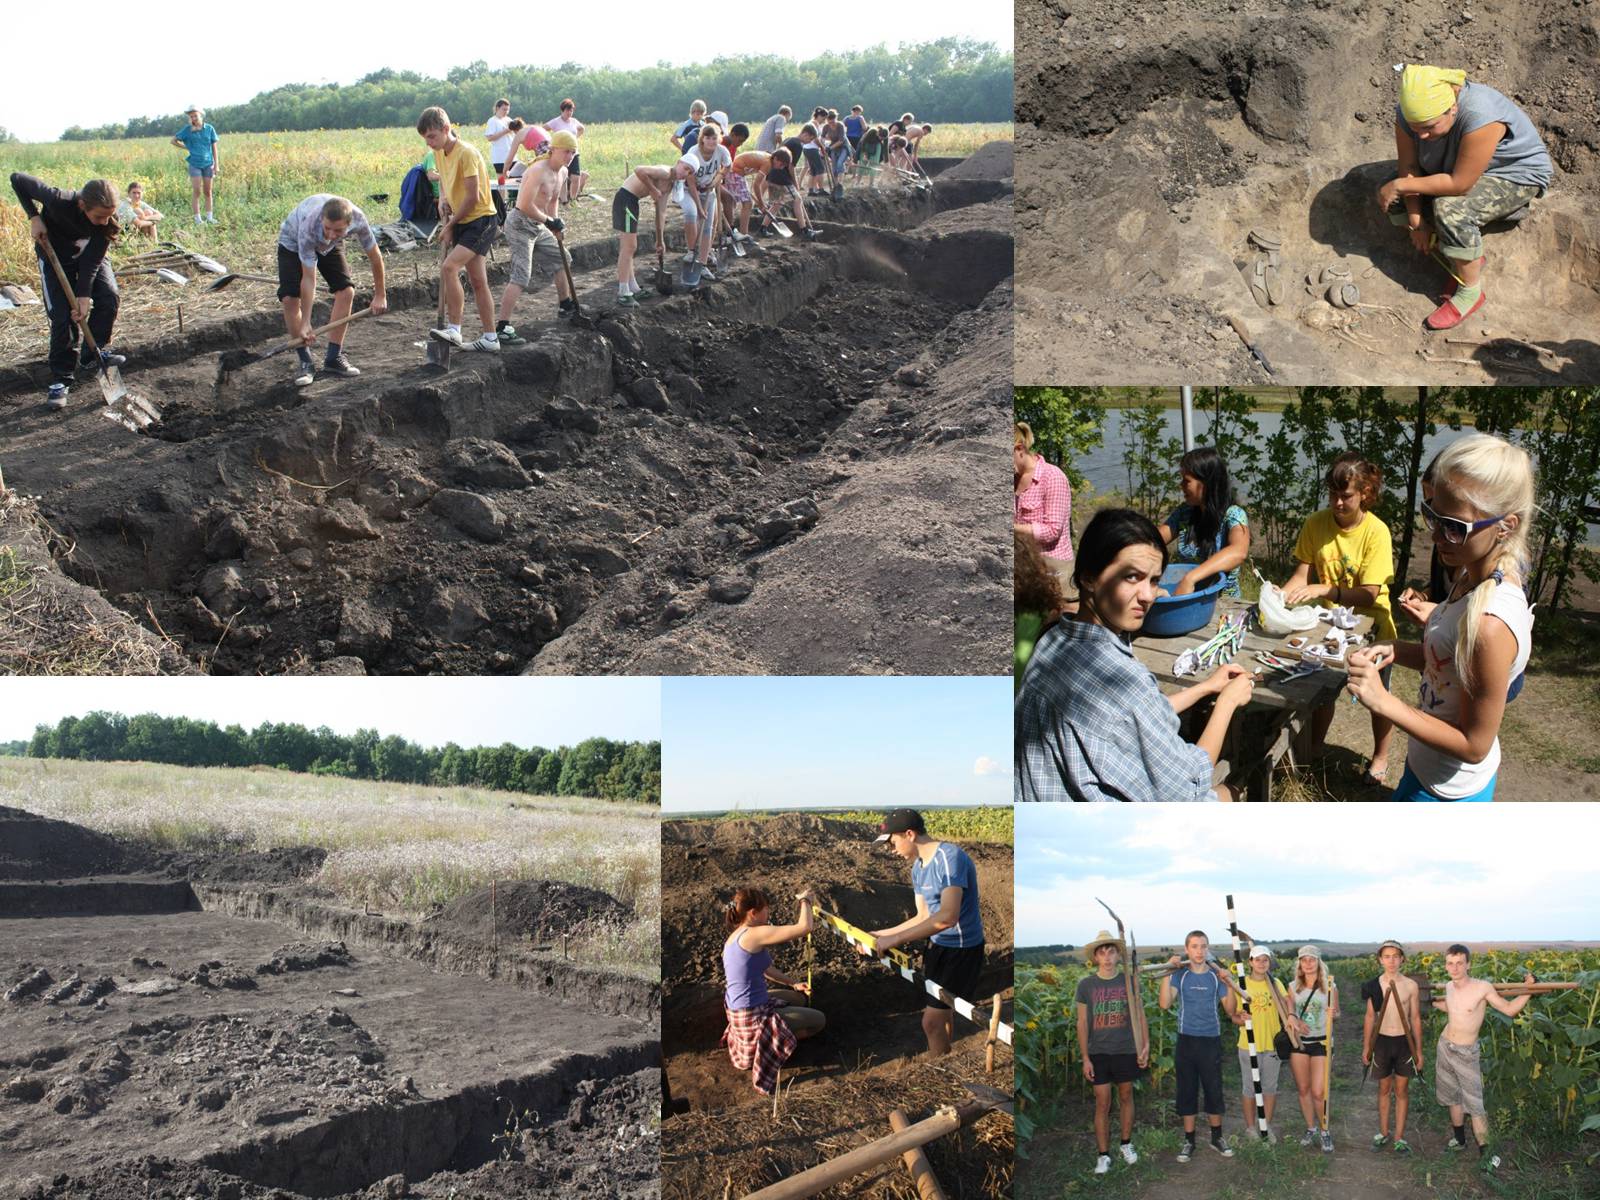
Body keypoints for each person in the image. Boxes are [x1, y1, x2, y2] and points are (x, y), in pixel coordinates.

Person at [1015, 508, 1256, 802]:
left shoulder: (1053, 639)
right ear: (1089, 577)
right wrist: (1227, 703)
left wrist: (1206, 687)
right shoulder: (1121, 678)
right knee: (1232, 791)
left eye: (1154, 580)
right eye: (1132, 577)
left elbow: (1135, 715)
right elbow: (1188, 787)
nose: (1148, 595)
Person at [1347, 433, 1535, 801]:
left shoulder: (1490, 624)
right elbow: (1449, 664)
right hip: (1428, 768)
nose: (1435, 536)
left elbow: (1473, 745)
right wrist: (1396, 649)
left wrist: (1385, 703)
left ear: (1506, 525)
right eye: (1432, 515)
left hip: (1448, 791)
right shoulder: (1472, 574)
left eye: (1454, 526)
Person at [1379, 65, 1554, 331]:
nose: (1421, 136)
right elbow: (1410, 168)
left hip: (1512, 174)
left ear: (1452, 109)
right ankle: (1464, 257)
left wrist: (1402, 186)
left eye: (1428, 128)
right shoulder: (1410, 113)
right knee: (1389, 193)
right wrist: (1417, 223)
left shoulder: (1481, 115)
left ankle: (1471, 292)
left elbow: (1459, 184)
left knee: (1450, 210)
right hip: (1453, 166)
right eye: (1415, 129)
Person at [1279, 452, 1399, 787]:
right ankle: (1314, 748)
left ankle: (1380, 757)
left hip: (1374, 627)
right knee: (1322, 690)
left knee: (1377, 698)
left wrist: (1325, 589)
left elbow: (1369, 594)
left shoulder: (1377, 532)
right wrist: (1279, 596)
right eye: (1332, 494)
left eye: (1346, 495)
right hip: (1329, 627)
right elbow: (1300, 576)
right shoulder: (1316, 523)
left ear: (1365, 493)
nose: (1338, 502)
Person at [866, 809, 985, 1057]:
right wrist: (880, 934)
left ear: (909, 834)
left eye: (892, 842)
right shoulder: (918, 868)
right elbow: (922, 917)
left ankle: (941, 1070)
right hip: (937, 947)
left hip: (962, 950)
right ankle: (948, 1057)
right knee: (942, 1014)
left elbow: (947, 917)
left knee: (930, 1022)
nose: (891, 849)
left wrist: (895, 939)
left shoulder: (950, 858)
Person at [11, 173, 124, 409]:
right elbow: (17, 179)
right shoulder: (57, 200)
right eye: (99, 216)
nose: (105, 221)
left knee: (109, 297)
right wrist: (34, 217)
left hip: (88, 258)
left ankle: (93, 353)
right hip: (55, 257)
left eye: (109, 215)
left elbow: (92, 261)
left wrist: (84, 296)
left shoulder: (108, 222)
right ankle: (61, 379)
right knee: (62, 316)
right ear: (82, 205)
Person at [1433, 944, 1537, 1167]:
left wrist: (1528, 989)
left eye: (1460, 962)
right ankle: (1459, 1140)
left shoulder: (1482, 987)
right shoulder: (1449, 986)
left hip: (1466, 1052)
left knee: (1475, 1105)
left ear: (1468, 964)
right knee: (1452, 1096)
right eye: (1450, 963)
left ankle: (1486, 1156)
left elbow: (1509, 1009)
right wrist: (1425, 998)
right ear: (1446, 965)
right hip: (1445, 1047)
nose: (1455, 967)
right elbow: (1453, 1009)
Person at [276, 194, 388, 387]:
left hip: (330, 248)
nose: (329, 234)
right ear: (322, 219)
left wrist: (380, 295)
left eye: (337, 230)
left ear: (349, 224)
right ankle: (305, 361)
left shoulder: (359, 220)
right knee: (290, 298)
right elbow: (309, 279)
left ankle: (333, 358)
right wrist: (306, 323)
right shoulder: (310, 225)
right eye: (327, 227)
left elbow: (376, 257)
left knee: (346, 291)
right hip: (293, 243)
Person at [722, 885, 825, 1096]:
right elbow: (804, 928)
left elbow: (766, 969)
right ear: (753, 913)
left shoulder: (736, 937)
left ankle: (775, 1034)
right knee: (818, 1020)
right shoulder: (753, 934)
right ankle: (770, 1046)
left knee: (797, 997)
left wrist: (792, 983)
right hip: (751, 1016)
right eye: (766, 909)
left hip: (742, 1009)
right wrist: (805, 900)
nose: (769, 914)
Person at [418, 106, 501, 353]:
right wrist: (443, 198)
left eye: (432, 136)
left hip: (481, 220)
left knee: (449, 267)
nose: (429, 143)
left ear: (446, 129)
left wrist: (450, 226)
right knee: (478, 281)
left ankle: (454, 329)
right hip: (463, 221)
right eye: (426, 139)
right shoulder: (441, 154)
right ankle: (490, 338)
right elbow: (444, 179)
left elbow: (473, 197)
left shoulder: (467, 153)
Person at [493, 130, 578, 341]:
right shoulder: (538, 170)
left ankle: (565, 304)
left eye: (573, 153)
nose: (569, 157)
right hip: (520, 224)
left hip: (539, 225)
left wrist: (555, 223)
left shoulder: (563, 173)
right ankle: (502, 328)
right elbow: (523, 205)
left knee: (563, 258)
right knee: (522, 276)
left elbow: (552, 201)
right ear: (553, 149)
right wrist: (549, 221)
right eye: (566, 152)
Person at [1160, 931, 1237, 1163]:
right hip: (1186, 1040)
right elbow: (1164, 1004)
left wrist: (1229, 984)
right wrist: (1167, 972)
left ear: (1208, 948)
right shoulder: (1180, 975)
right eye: (1194, 946)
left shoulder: (1215, 976)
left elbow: (1230, 1010)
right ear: (1187, 949)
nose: (1199, 951)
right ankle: (1189, 1140)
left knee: (1213, 1089)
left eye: (1203, 946)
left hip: (1210, 1039)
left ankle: (1217, 1138)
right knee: (1187, 1090)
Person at [1077, 930, 1147, 1175]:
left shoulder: (1128, 981)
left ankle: (1126, 1144)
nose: (1107, 957)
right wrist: (1085, 1057)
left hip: (1126, 1050)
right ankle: (1103, 1155)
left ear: (1118, 955)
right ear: (1096, 957)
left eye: (1111, 952)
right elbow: (1082, 1023)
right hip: (1098, 1053)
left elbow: (1140, 1015)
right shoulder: (1086, 985)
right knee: (1102, 1102)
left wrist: (1144, 1045)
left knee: (1126, 1096)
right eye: (1102, 952)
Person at [1158, 447, 1251, 596]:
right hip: (1186, 597)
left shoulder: (1234, 515)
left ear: (1206, 484)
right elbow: (1154, 540)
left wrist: (1190, 578)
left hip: (1223, 604)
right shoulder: (1184, 512)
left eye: (1186, 480)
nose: (1180, 485)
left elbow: (1238, 552)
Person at [1362, 940, 1423, 1155]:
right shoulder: (1373, 985)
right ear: (1380, 960)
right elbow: (1370, 1017)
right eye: (1387, 956)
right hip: (1382, 1042)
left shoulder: (1410, 985)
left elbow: (1415, 1018)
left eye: (1396, 956)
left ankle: (1399, 1137)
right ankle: (1384, 1133)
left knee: (1402, 1090)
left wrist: (1419, 1051)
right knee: (1384, 1089)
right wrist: (1366, 1047)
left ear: (1402, 959)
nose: (1391, 961)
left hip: (1404, 1043)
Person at [1285, 945, 1340, 1152]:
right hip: (1299, 1044)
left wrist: (1332, 1013)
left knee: (1319, 1091)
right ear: (1299, 963)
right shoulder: (1292, 987)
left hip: (1321, 1042)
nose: (1308, 964)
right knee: (1303, 1089)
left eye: (1312, 960)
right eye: (1304, 960)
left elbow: (1338, 1013)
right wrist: (1294, 1019)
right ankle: (1311, 1127)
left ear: (1319, 962)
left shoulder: (1329, 987)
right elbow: (1289, 1010)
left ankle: (1325, 1129)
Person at [1230, 944, 1286, 1143]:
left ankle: (1266, 1126)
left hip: (1272, 1044)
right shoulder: (1241, 984)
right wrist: (1241, 1016)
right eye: (1258, 959)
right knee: (1250, 1088)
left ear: (1269, 962)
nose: (1262, 963)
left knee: (1270, 1087)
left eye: (1265, 960)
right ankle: (1251, 1128)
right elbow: (1235, 1016)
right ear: (1250, 962)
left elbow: (1286, 1005)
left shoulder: (1275, 983)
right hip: (1248, 1044)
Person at [1014, 421, 1073, 590]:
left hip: (1054, 572)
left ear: (1019, 449)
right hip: (1025, 569)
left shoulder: (1052, 477)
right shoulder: (1012, 480)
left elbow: (1052, 531)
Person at [676, 124, 731, 283]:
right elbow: (691, 183)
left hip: (709, 191)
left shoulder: (722, 151)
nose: (711, 141)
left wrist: (717, 179)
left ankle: (703, 263)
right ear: (702, 139)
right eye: (708, 138)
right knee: (692, 214)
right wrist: (700, 208)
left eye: (714, 138)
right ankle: (692, 251)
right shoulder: (694, 153)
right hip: (689, 191)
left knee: (708, 227)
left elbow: (727, 166)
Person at [613, 163, 671, 308]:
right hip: (625, 200)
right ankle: (623, 292)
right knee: (629, 247)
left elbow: (661, 214)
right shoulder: (664, 172)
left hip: (632, 202)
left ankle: (633, 288)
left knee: (630, 247)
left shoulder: (671, 184)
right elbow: (638, 170)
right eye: (686, 170)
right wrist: (652, 189)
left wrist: (660, 240)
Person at [171, 105, 219, 225]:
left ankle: (209, 217)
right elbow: (173, 141)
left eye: (195, 115)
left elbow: (214, 147)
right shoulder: (187, 130)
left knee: (208, 191)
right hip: (194, 164)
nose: (193, 118)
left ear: (200, 115)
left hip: (208, 163)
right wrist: (186, 147)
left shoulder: (209, 129)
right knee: (197, 191)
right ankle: (198, 219)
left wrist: (216, 164)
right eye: (191, 116)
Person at [763, 147, 818, 242]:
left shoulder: (772, 159)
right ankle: (804, 230)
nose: (782, 166)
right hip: (783, 181)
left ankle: (763, 228)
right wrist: (796, 184)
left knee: (776, 205)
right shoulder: (792, 150)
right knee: (798, 200)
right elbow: (791, 168)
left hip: (773, 179)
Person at [718, 124, 757, 244]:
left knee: (731, 201)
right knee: (729, 199)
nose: (740, 144)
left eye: (743, 142)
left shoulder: (733, 147)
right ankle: (730, 232)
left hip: (723, 177)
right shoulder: (723, 142)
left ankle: (730, 233)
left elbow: (730, 165)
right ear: (733, 134)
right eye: (739, 140)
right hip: (713, 178)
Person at [546, 99, 588, 202]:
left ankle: (573, 199)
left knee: (576, 177)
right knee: (562, 176)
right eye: (567, 110)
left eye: (571, 111)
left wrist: (575, 138)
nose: (569, 113)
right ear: (562, 110)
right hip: (561, 154)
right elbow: (543, 129)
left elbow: (582, 128)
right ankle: (561, 199)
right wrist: (551, 143)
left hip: (574, 152)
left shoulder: (574, 121)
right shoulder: (556, 121)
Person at [484, 99, 514, 223]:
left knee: (512, 180)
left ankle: (511, 203)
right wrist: (505, 131)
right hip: (499, 156)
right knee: (502, 181)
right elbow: (490, 137)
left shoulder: (508, 120)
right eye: (503, 109)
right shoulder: (493, 121)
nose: (506, 112)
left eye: (507, 109)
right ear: (497, 108)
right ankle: (502, 205)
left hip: (511, 154)